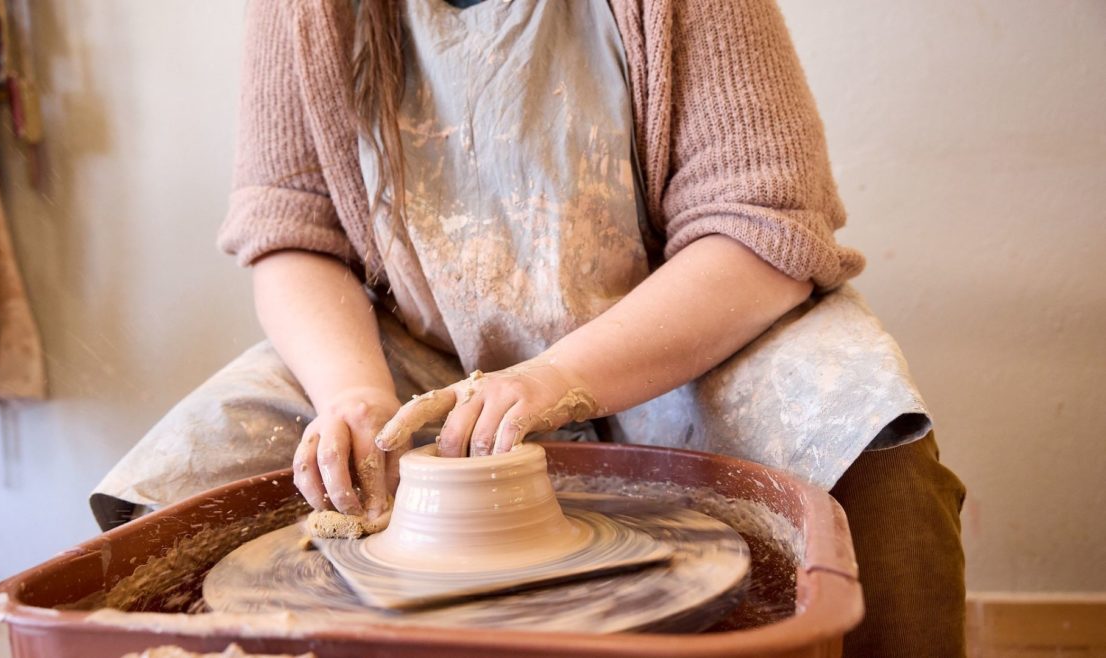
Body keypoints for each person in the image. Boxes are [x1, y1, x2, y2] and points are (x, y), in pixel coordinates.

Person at [210, 1, 966, 655]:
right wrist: (351, 395)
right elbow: (293, 232)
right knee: (199, 484)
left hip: (679, 340)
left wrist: (557, 380)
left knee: (871, 455)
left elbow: (762, 222)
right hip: (412, 359)